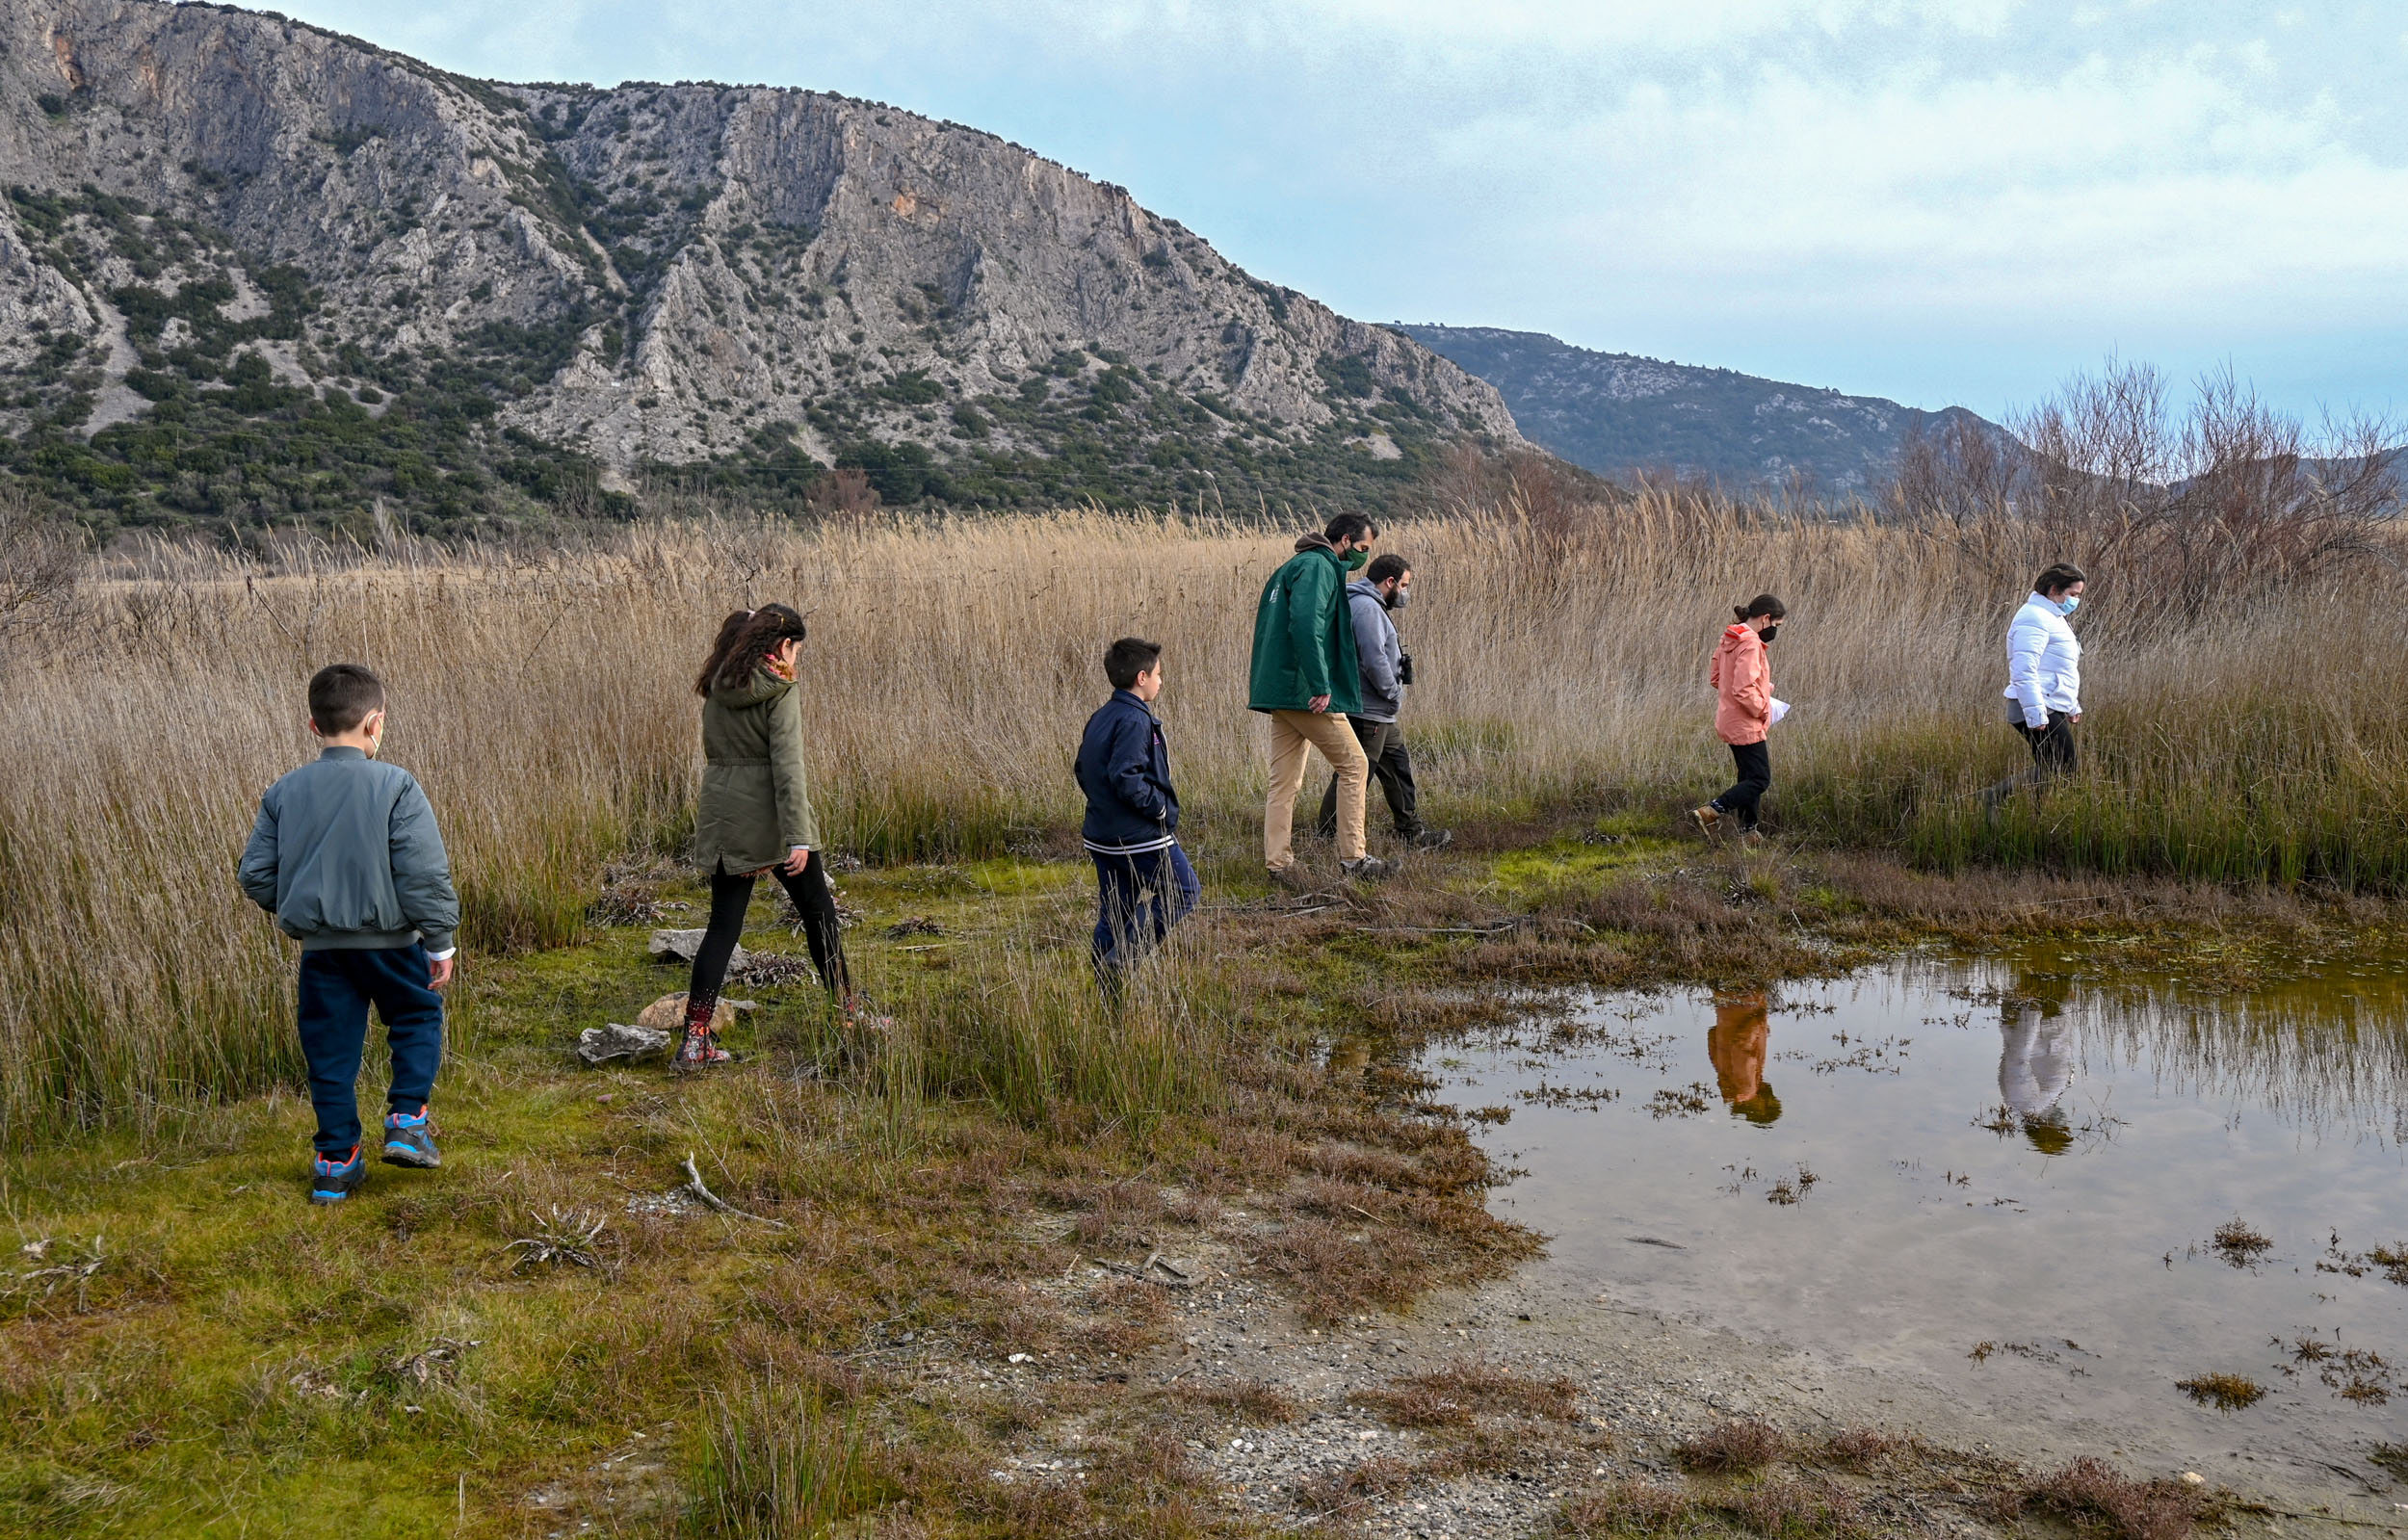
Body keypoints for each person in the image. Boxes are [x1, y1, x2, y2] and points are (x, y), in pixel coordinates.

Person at [238, 663, 459, 1206]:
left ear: (314, 726)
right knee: (416, 1016)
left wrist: (302, 907)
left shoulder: (284, 791)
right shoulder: (396, 785)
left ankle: (335, 1165)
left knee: (329, 1051)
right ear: (375, 723)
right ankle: (407, 1123)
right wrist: (440, 941)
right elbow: (422, 873)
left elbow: (255, 874)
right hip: (393, 946)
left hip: (323, 953)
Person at [679, 604, 862, 1067]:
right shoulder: (780, 689)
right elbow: (788, 768)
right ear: (783, 646)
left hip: (723, 815)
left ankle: (695, 1042)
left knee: (723, 926)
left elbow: (720, 756)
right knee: (819, 914)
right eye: (796, 648)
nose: (797, 657)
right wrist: (799, 837)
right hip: (775, 822)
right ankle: (848, 1015)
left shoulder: (716, 686)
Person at [1249, 511, 1389, 886]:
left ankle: (1278, 864)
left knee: (1283, 782)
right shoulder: (1318, 567)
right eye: (1363, 547)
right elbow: (1306, 624)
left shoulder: (1291, 566)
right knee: (1355, 766)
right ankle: (1354, 859)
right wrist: (1320, 684)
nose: (1363, 556)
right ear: (1344, 540)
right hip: (1303, 693)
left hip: (1280, 690)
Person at [1074, 638, 1200, 998]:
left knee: (1117, 911)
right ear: (1141, 678)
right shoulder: (1133, 719)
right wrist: (1159, 809)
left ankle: (1107, 992)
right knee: (1183, 891)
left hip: (1102, 834)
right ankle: (1123, 959)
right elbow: (1126, 776)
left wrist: (1104, 806)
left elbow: (1081, 768)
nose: (1161, 681)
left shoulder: (1102, 716)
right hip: (1138, 836)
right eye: (1158, 674)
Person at [1315, 553, 1451, 850]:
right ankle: (1325, 838)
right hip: (1369, 710)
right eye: (1404, 585)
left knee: (1398, 766)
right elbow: (1373, 658)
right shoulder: (1367, 608)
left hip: (1381, 713)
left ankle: (1411, 832)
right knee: (1354, 774)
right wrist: (1393, 691)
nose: (1405, 592)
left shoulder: (1367, 604)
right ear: (1390, 582)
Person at [1982, 563, 2085, 815]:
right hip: (2035, 707)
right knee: (2064, 766)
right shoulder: (2034, 618)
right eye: (2073, 594)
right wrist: (2036, 713)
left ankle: (2037, 816)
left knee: (2052, 767)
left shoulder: (2054, 618)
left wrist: (2072, 705)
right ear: (2054, 590)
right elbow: (2024, 669)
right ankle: (1991, 797)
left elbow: (2060, 668)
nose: (2076, 601)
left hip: (2049, 704)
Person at [1693, 594, 1786, 846]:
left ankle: (1748, 831)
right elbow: (1743, 689)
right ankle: (1711, 811)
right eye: (1776, 625)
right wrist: (1763, 709)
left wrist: (1763, 688)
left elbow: (1717, 678)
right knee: (1760, 779)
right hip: (1746, 722)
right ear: (1766, 618)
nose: (1775, 631)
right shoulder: (1751, 644)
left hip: (1729, 718)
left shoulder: (1730, 638)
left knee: (1748, 776)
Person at [1706, 990, 1781, 1125]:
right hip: (1726, 1006)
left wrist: (1758, 1022)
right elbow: (1712, 1036)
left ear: (1762, 1105)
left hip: (1745, 1002)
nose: (1772, 1095)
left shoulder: (1747, 1088)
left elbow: (1741, 1046)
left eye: (1771, 1100)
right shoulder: (1728, 1087)